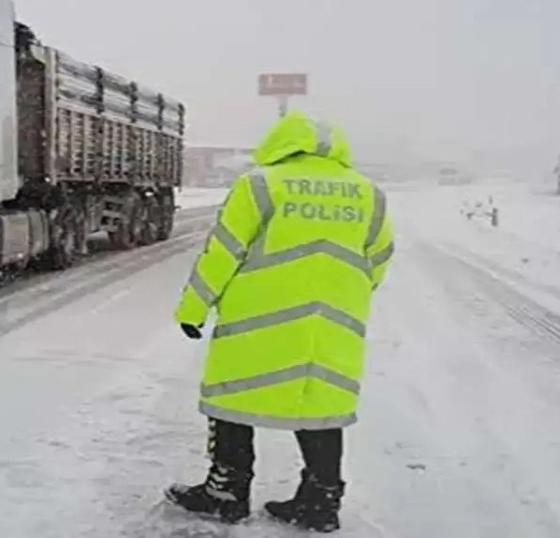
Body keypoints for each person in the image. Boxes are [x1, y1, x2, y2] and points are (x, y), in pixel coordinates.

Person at [164, 111, 395, 533]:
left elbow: (223, 252)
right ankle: (320, 501)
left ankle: (226, 492)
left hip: (257, 321)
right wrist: (343, 297)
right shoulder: (368, 193)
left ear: (282, 142)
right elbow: (378, 258)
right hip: (331, 325)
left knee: (233, 398)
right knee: (321, 408)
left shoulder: (260, 184)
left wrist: (193, 308)